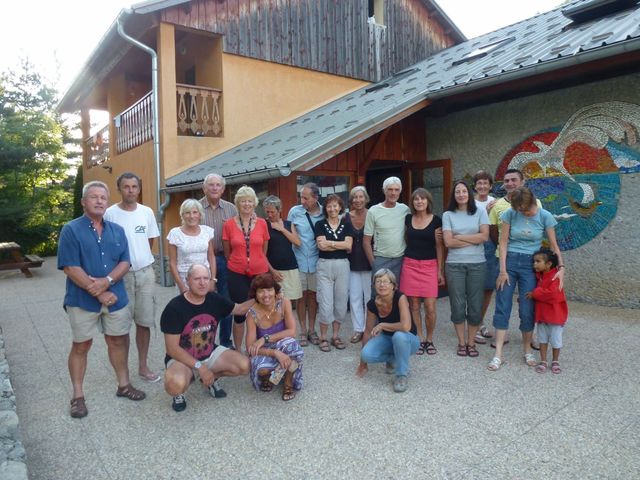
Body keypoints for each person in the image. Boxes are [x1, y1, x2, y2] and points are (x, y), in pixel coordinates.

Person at [58, 181, 145, 419]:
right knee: (81, 345)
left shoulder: (117, 230)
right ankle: (77, 396)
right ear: (83, 202)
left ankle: (124, 385)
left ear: (107, 202)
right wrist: (98, 290)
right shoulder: (71, 230)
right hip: (81, 299)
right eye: (93, 197)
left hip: (115, 297)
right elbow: (69, 266)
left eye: (103, 198)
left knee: (117, 341)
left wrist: (106, 282)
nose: (99, 201)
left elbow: (125, 262)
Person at [488, 187, 565, 371]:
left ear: (532, 202)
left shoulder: (544, 216)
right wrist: (503, 270)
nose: (523, 212)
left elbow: (554, 245)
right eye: (519, 209)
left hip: (531, 266)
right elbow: (503, 242)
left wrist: (561, 267)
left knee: (527, 307)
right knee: (502, 304)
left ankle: (527, 349)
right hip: (510, 261)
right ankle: (498, 353)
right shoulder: (510, 213)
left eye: (525, 209)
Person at [161, 264, 255, 412]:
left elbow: (240, 309)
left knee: (245, 365)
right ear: (188, 281)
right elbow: (172, 349)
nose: (202, 282)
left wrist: (265, 294)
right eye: (197, 279)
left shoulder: (214, 299)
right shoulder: (174, 308)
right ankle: (183, 391)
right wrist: (199, 367)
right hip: (182, 358)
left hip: (209, 352)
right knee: (175, 385)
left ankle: (210, 377)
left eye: (206, 278)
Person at [104, 172, 161, 383]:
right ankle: (123, 370)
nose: (130, 190)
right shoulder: (110, 214)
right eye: (126, 186)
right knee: (121, 325)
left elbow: (150, 241)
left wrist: (140, 259)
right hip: (121, 277)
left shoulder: (146, 212)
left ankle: (143, 366)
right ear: (119, 189)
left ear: (139, 189)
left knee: (144, 322)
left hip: (145, 274)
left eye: (134, 186)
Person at [487, 168, 542, 349]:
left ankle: (530, 336)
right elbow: (493, 231)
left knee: (528, 300)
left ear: (522, 181)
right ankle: (500, 336)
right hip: (503, 258)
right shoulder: (497, 206)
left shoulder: (537, 204)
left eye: (513, 180)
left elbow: (539, 228)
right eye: (507, 180)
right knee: (503, 299)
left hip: (528, 260)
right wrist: (507, 248)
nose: (510, 183)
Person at [442, 180, 489, 358]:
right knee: (458, 304)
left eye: (464, 191)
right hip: (454, 265)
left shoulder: (480, 212)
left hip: (477, 264)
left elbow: (484, 237)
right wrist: (472, 238)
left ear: (469, 194)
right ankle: (461, 343)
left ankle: (471, 343)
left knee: (476, 305)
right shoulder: (448, 215)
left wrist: (459, 237)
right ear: (453, 195)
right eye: (457, 192)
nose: (461, 194)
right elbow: (448, 242)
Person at [356, 269, 420, 393]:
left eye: (386, 281)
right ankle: (393, 359)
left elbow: (406, 326)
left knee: (399, 336)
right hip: (387, 338)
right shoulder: (372, 304)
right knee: (366, 354)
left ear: (393, 286)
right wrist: (362, 364)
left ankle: (401, 375)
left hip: (409, 339)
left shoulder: (400, 297)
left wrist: (383, 325)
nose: (382, 285)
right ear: (374, 285)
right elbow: (368, 331)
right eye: (378, 281)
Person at [223, 185, 270, 352]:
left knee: (260, 309)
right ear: (237, 203)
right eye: (243, 201)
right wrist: (241, 262)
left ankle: (259, 347)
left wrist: (255, 261)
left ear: (255, 203)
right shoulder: (228, 224)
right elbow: (228, 252)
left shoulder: (263, 223)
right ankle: (238, 349)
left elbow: (264, 250)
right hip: (237, 274)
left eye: (250, 201)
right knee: (240, 313)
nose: (247, 204)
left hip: (259, 273)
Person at [245, 273, 304, 401]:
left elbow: (292, 331)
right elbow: (250, 347)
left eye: (269, 290)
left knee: (292, 345)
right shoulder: (252, 314)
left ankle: (288, 384)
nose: (266, 295)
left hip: (283, 345)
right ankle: (274, 374)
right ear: (255, 294)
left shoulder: (284, 303)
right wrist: (275, 353)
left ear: (275, 291)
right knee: (262, 371)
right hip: (265, 350)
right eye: (261, 291)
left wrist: (264, 338)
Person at [400, 188, 444, 355]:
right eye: (416, 199)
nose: (419, 201)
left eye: (422, 199)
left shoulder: (436, 221)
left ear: (428, 201)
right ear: (413, 203)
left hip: (429, 266)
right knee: (414, 305)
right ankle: (419, 337)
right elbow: (404, 238)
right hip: (410, 265)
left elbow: (439, 247)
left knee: (431, 307)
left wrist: (440, 270)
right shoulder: (408, 218)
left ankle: (430, 338)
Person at [200, 173, 238, 348]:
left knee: (226, 301)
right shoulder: (196, 208)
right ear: (204, 188)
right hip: (201, 261)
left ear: (223, 189)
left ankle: (224, 342)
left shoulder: (231, 209)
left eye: (218, 185)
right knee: (203, 301)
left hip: (225, 258)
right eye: (211, 185)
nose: (214, 188)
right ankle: (205, 342)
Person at [262, 195, 305, 345]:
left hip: (291, 268)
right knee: (275, 305)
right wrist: (272, 270)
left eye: (272, 212)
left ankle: (294, 334)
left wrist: (281, 229)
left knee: (292, 303)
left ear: (280, 210)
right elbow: (262, 252)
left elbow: (297, 242)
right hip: (274, 270)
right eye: (267, 212)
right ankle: (276, 336)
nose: (269, 215)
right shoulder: (264, 225)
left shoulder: (288, 224)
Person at [314, 194, 353, 352]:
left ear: (340, 207)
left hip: (343, 265)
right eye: (329, 206)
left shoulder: (347, 224)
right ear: (326, 208)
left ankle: (335, 336)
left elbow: (349, 245)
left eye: (335, 206)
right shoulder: (320, 224)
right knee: (325, 303)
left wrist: (330, 243)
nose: (332, 209)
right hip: (325, 265)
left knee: (341, 302)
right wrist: (340, 244)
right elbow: (321, 247)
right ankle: (323, 337)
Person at [287, 183, 324, 346]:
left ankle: (312, 330)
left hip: (318, 262)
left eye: (306, 198)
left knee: (313, 296)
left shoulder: (325, 213)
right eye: (301, 197)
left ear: (316, 198)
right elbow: (289, 235)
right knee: (301, 296)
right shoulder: (294, 212)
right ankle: (302, 330)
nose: (302, 201)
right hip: (299, 261)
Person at [525, 249, 568, 374]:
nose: (535, 264)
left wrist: (535, 293)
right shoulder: (540, 277)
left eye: (538, 261)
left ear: (549, 264)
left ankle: (555, 360)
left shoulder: (555, 276)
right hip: (542, 316)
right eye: (534, 261)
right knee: (542, 340)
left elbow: (554, 294)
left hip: (555, 317)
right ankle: (543, 360)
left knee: (556, 340)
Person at [363, 177, 410, 289]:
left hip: (400, 259)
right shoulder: (373, 211)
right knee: (379, 296)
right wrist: (374, 263)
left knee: (397, 294)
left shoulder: (405, 209)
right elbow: (366, 241)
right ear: (384, 190)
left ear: (400, 191)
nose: (393, 193)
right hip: (381, 259)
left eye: (396, 189)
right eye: (390, 189)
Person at [167, 199, 216, 294]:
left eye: (195, 212)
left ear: (200, 214)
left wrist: (213, 280)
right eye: (187, 213)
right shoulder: (175, 234)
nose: (191, 216)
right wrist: (181, 285)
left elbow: (211, 257)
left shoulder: (207, 231)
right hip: (185, 279)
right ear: (182, 215)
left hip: (204, 278)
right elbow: (172, 262)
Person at [344, 186, 371, 344]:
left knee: (369, 297)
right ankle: (358, 329)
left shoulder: (373, 214)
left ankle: (369, 327)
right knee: (354, 297)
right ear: (351, 200)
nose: (358, 200)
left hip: (368, 261)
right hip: (351, 262)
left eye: (361, 197)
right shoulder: (345, 217)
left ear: (366, 199)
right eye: (355, 197)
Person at [472, 170, 497, 345]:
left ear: (490, 185)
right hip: (473, 246)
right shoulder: (469, 203)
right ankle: (472, 325)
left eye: (485, 183)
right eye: (479, 183)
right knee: (473, 289)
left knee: (488, 288)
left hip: (491, 247)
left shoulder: (496, 203)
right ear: (475, 186)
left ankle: (479, 322)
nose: (482, 186)